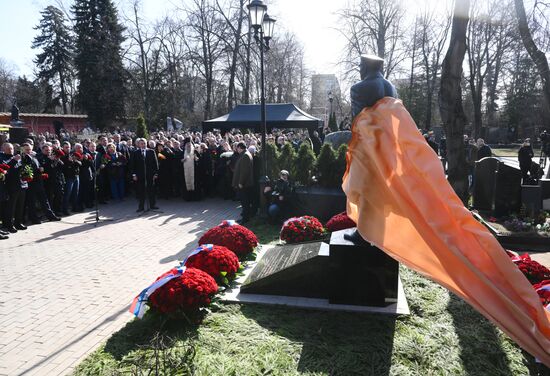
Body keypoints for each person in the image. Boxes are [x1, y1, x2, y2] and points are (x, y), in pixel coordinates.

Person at [0, 142, 28, 232]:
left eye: (12, 149)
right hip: (11, 187)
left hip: (21, 185)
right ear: (3, 149)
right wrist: (14, 161)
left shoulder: (16, 157)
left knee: (20, 206)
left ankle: (18, 223)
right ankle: (9, 225)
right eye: (8, 149)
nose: (11, 150)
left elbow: (21, 167)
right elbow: (6, 169)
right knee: (11, 207)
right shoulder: (2, 158)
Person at [130, 138, 159, 212]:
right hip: (140, 175)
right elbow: (132, 165)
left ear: (147, 144)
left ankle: (152, 205)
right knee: (141, 191)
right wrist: (134, 175)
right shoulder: (135, 152)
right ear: (139, 144)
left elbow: (155, 164)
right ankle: (141, 207)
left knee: (151, 190)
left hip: (150, 175)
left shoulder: (151, 151)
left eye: (144, 143)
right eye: (141, 143)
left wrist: (155, 173)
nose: (143, 145)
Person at [232, 141, 254, 224]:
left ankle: (245, 219)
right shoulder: (245, 154)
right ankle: (245, 217)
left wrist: (241, 182)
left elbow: (244, 171)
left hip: (244, 184)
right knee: (244, 202)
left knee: (245, 202)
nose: (236, 150)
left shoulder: (245, 155)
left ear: (240, 148)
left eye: (237, 148)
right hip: (244, 183)